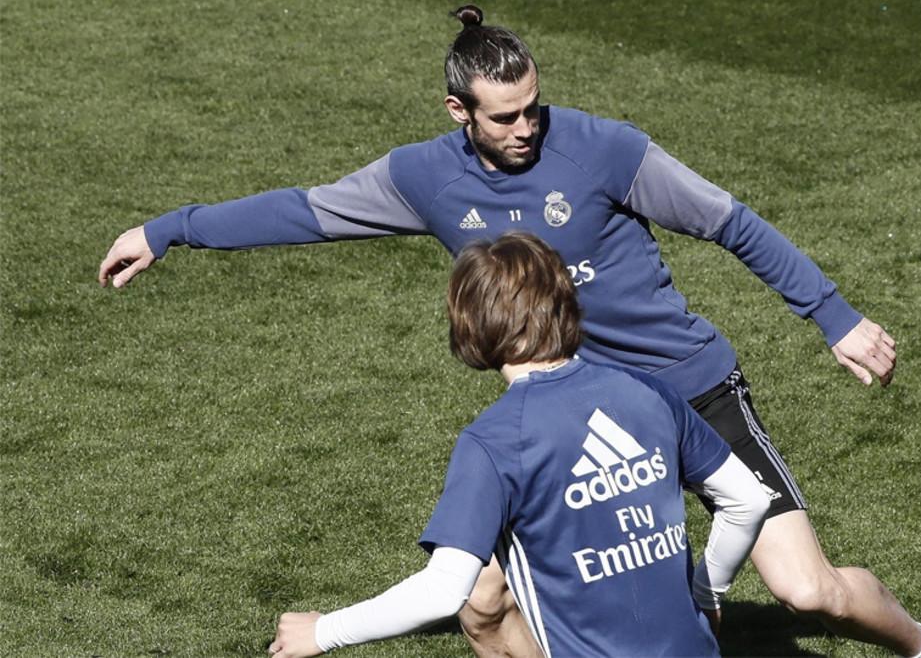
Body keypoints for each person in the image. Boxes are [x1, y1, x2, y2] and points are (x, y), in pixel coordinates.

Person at [100, 5, 921, 658]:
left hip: (688, 387)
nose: (527, 129)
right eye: (505, 117)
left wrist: (835, 316)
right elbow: (306, 210)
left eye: (534, 109)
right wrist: (170, 228)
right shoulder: (420, 179)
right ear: (457, 111)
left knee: (806, 589)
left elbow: (729, 221)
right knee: (484, 596)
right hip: (570, 415)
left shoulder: (603, 148)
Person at [267, 233, 769, 658]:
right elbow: (747, 499)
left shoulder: (495, 440)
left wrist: (322, 631)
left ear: (473, 324)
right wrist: (706, 595)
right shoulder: (650, 391)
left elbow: (444, 591)